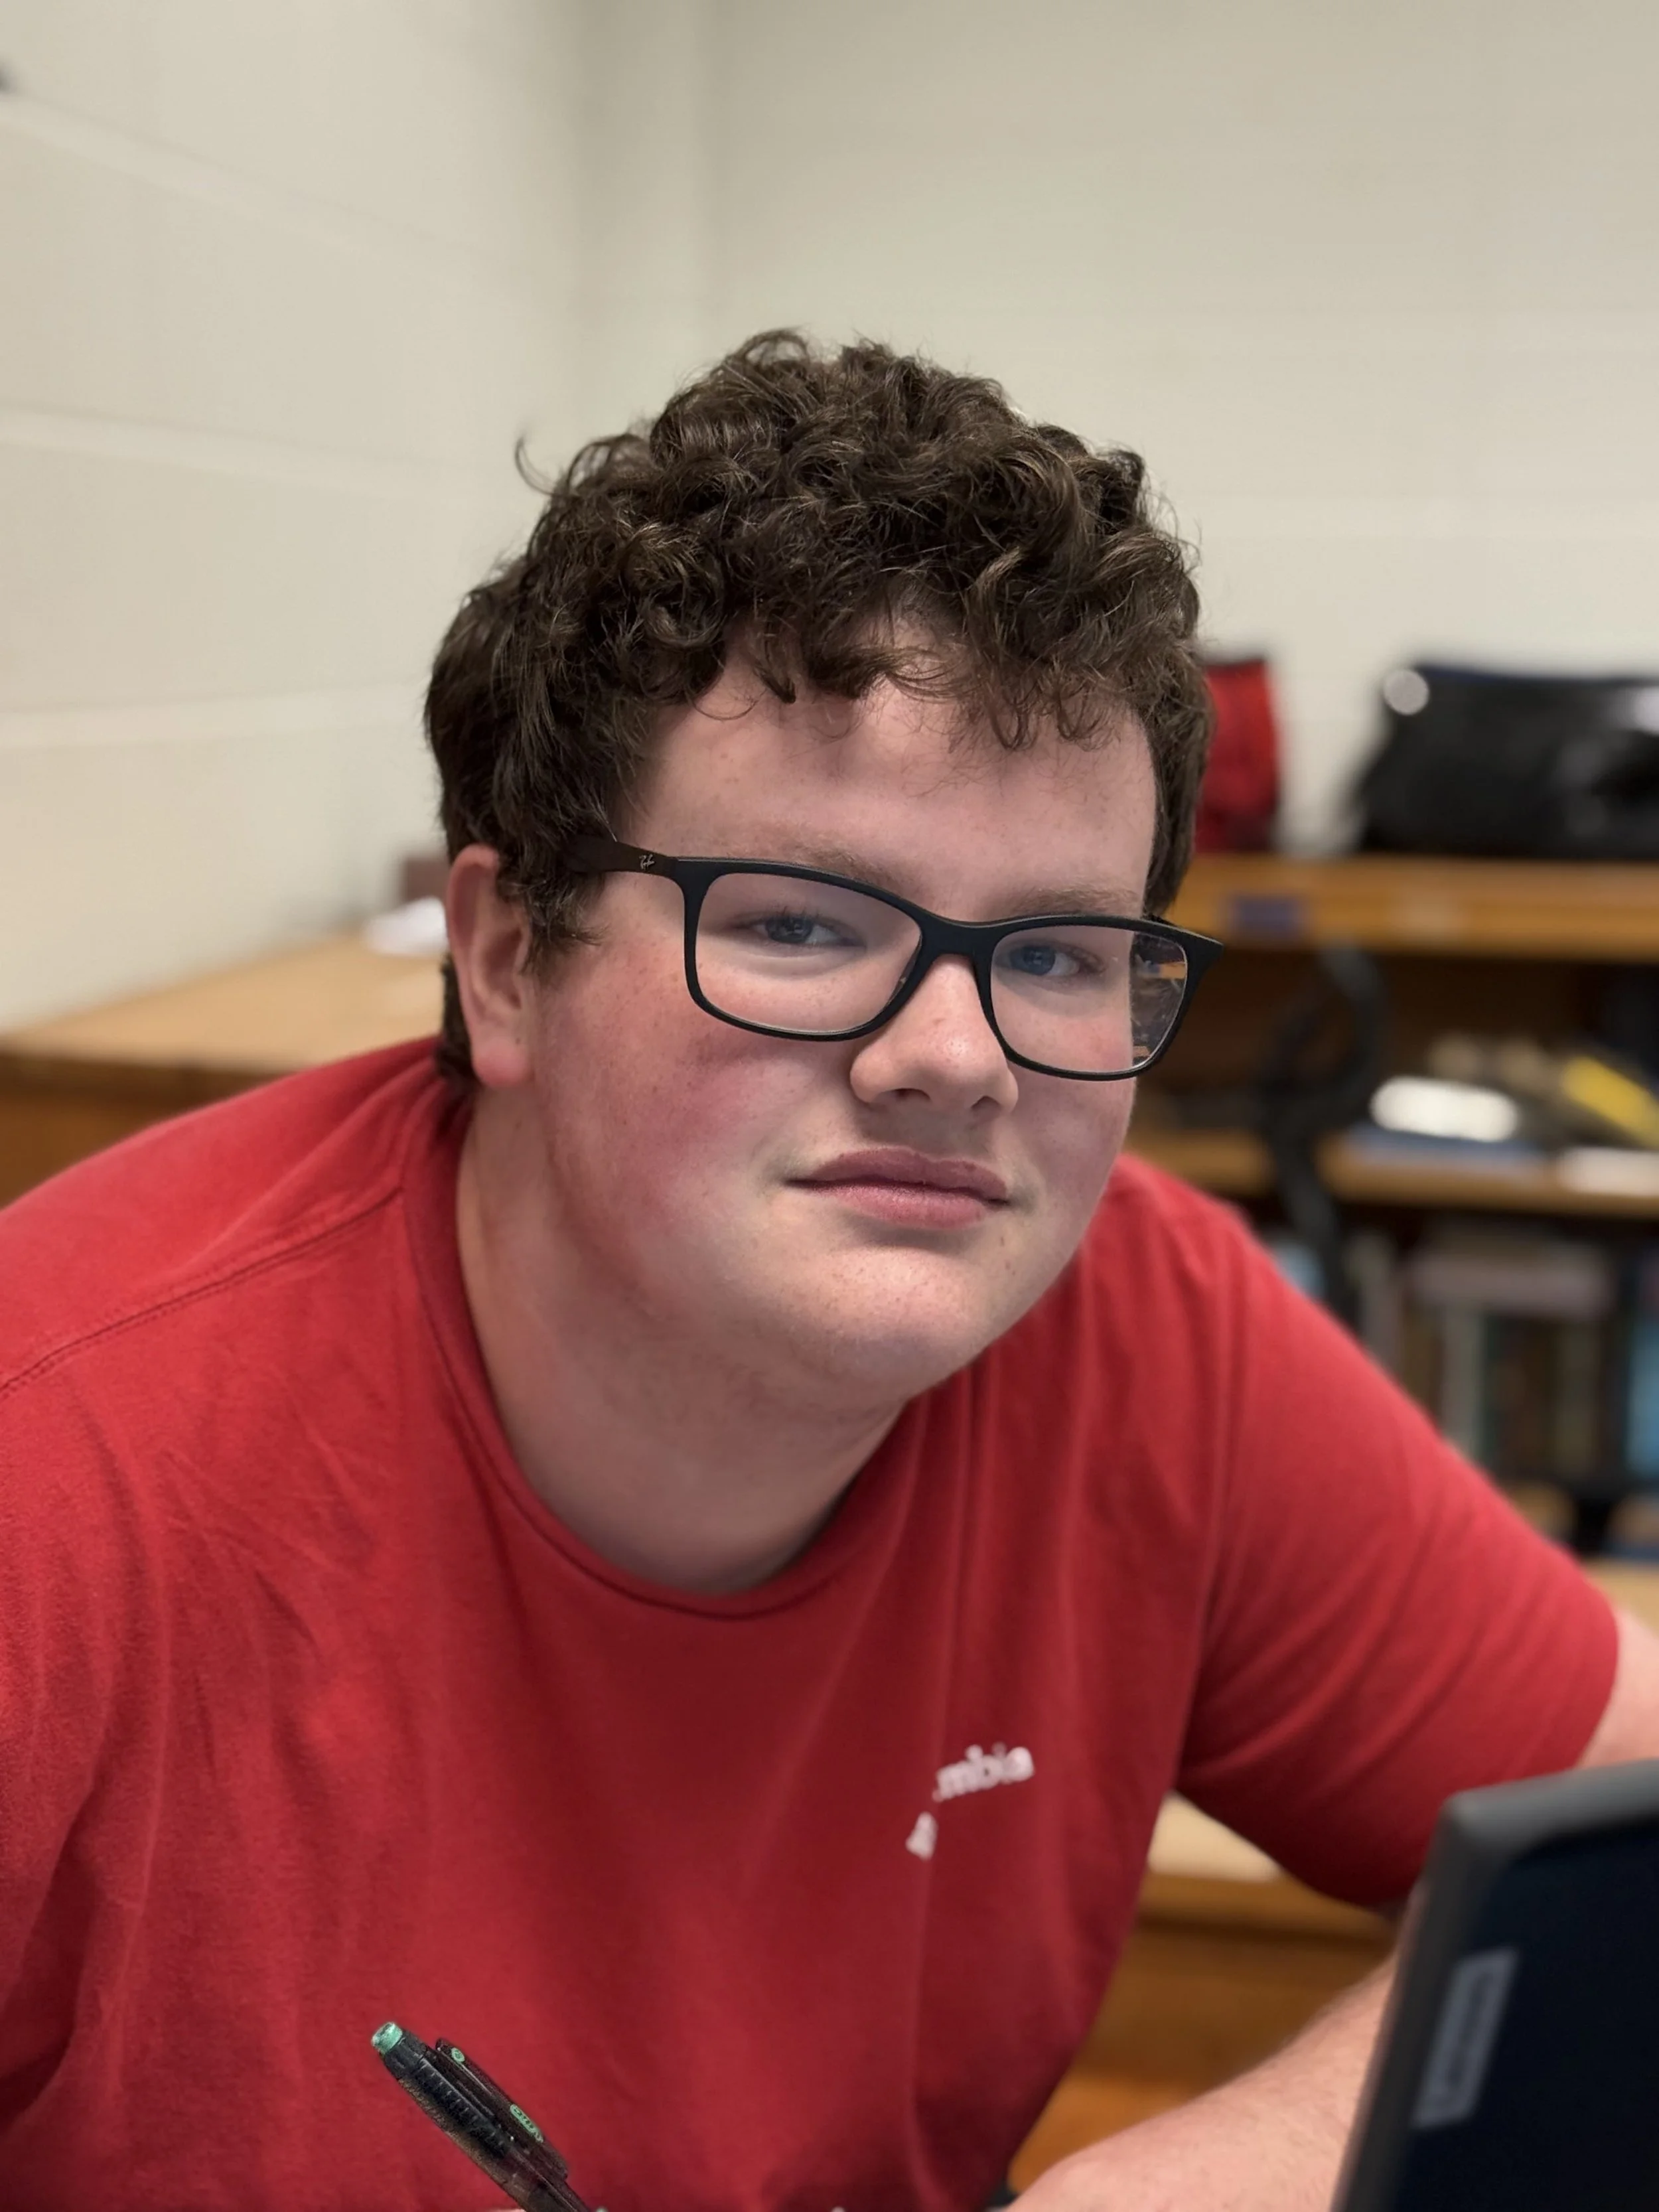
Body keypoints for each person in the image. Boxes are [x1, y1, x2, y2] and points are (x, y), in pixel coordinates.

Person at [1, 332, 1655, 2212]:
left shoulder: (1147, 1334)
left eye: (1052, 954)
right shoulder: (58, 1476)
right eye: (796, 921)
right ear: (505, 961)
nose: (952, 1055)